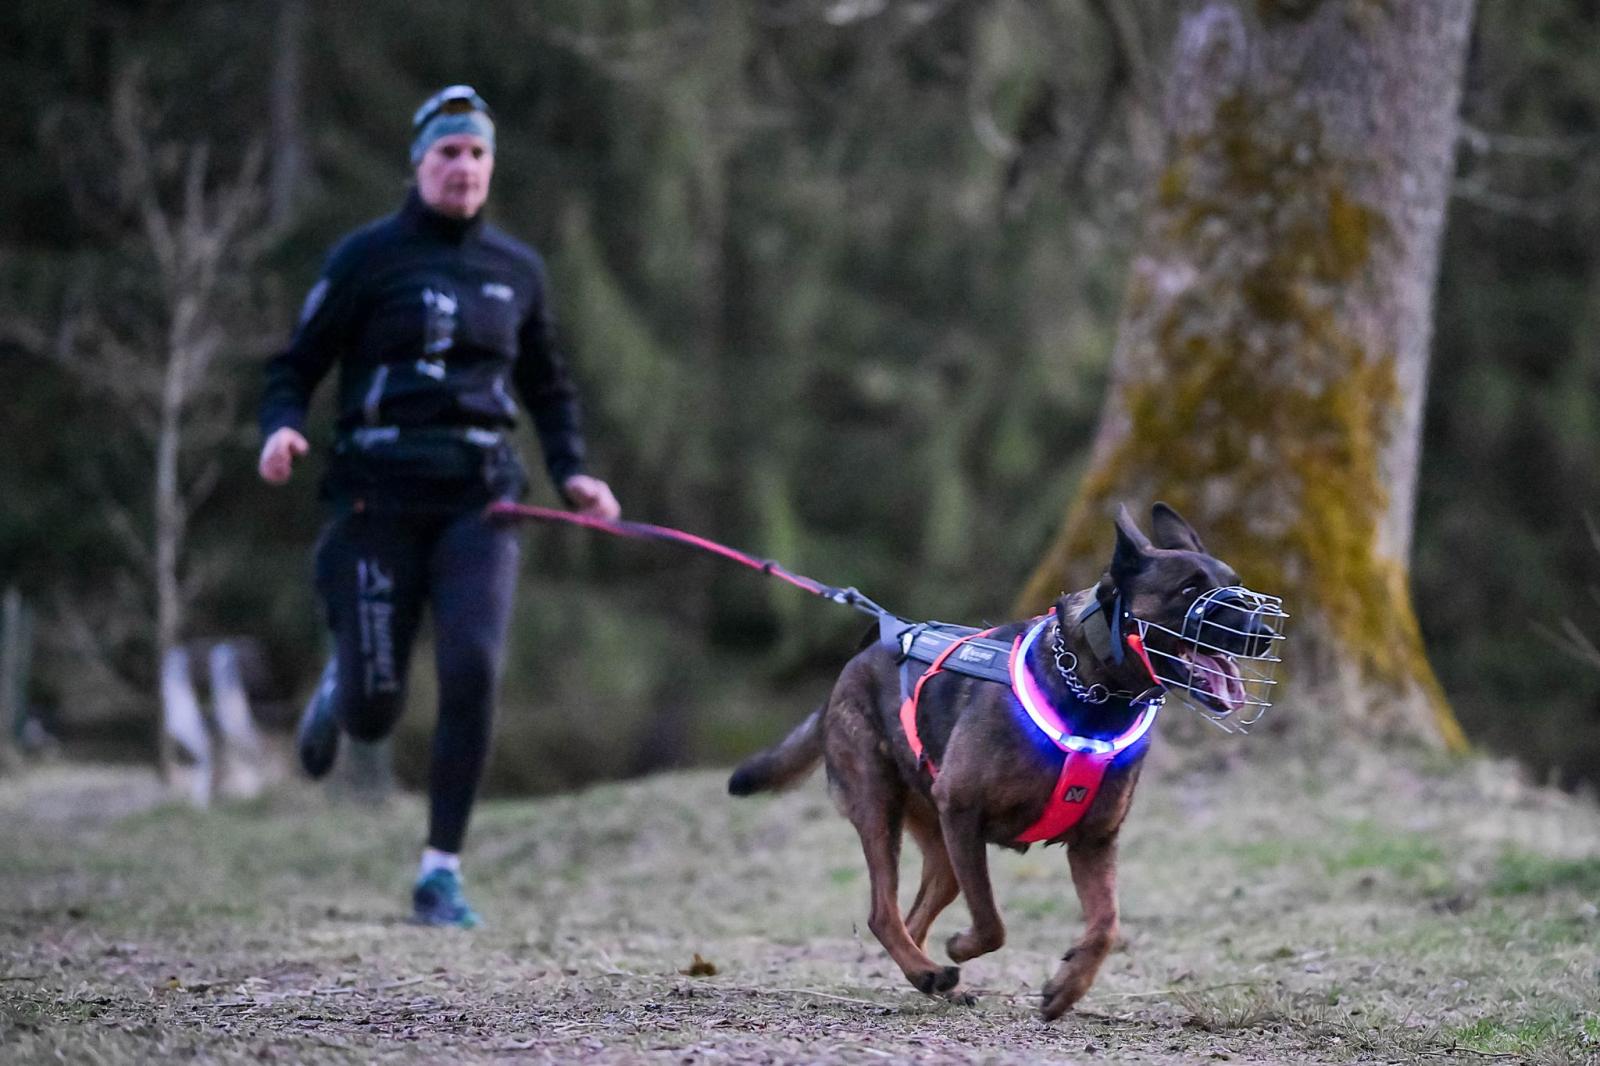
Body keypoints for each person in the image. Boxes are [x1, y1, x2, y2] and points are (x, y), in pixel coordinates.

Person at [258, 85, 620, 928]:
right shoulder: (367, 259)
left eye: (478, 154)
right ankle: (344, 679)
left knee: (472, 669)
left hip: (480, 504)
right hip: (375, 498)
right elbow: (294, 365)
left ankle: (440, 872)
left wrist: (573, 472)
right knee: (376, 710)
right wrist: (281, 429)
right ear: (419, 163)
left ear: (492, 166)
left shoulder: (517, 273)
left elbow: (548, 389)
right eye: (448, 153)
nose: (464, 168)